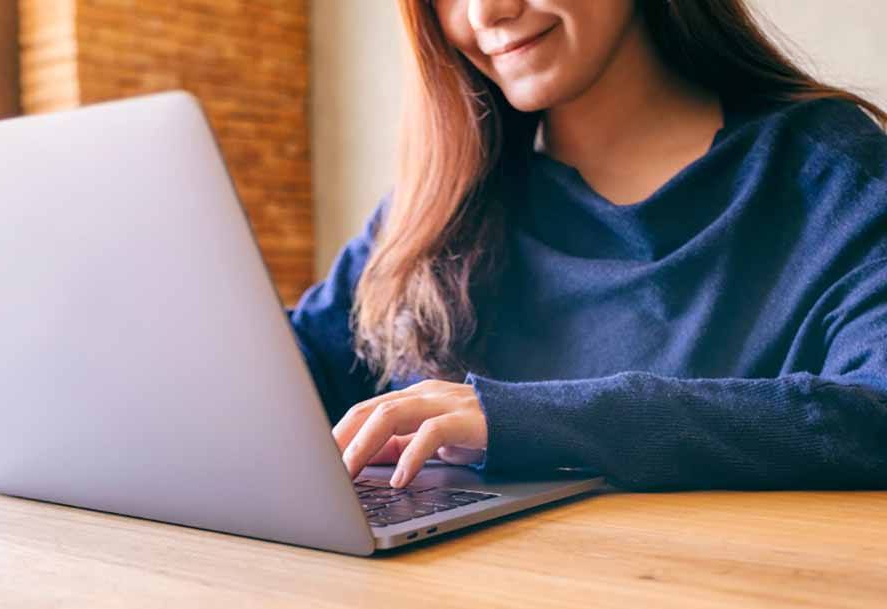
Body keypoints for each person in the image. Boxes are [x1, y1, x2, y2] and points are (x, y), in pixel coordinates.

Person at [289, 0, 887, 492]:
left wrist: (520, 420)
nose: (486, 12)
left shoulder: (835, 177)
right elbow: (288, 375)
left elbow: (874, 414)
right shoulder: (436, 214)